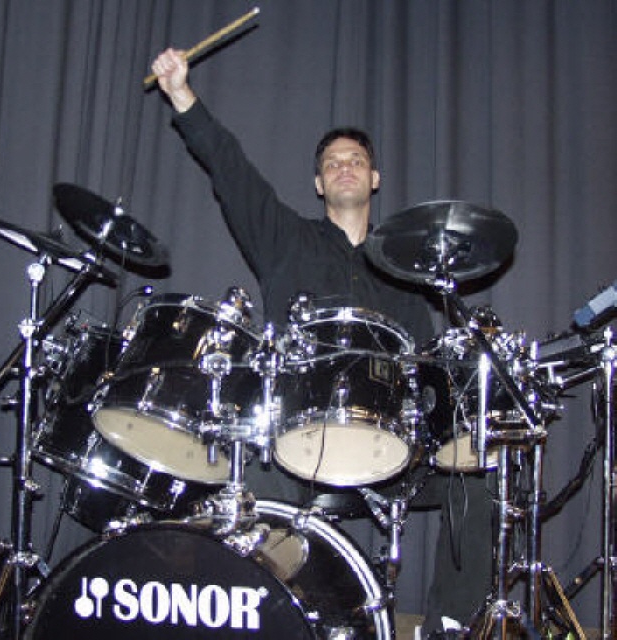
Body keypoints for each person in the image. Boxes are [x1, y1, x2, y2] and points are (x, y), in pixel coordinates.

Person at [150, 48, 493, 638]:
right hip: (295, 443)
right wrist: (182, 94)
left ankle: (449, 627)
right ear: (318, 183)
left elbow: (425, 365)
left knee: (476, 474)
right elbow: (231, 171)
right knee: (242, 479)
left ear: (374, 178)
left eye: (356, 160)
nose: (344, 168)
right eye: (332, 163)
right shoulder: (285, 240)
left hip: (390, 446)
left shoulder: (406, 269)